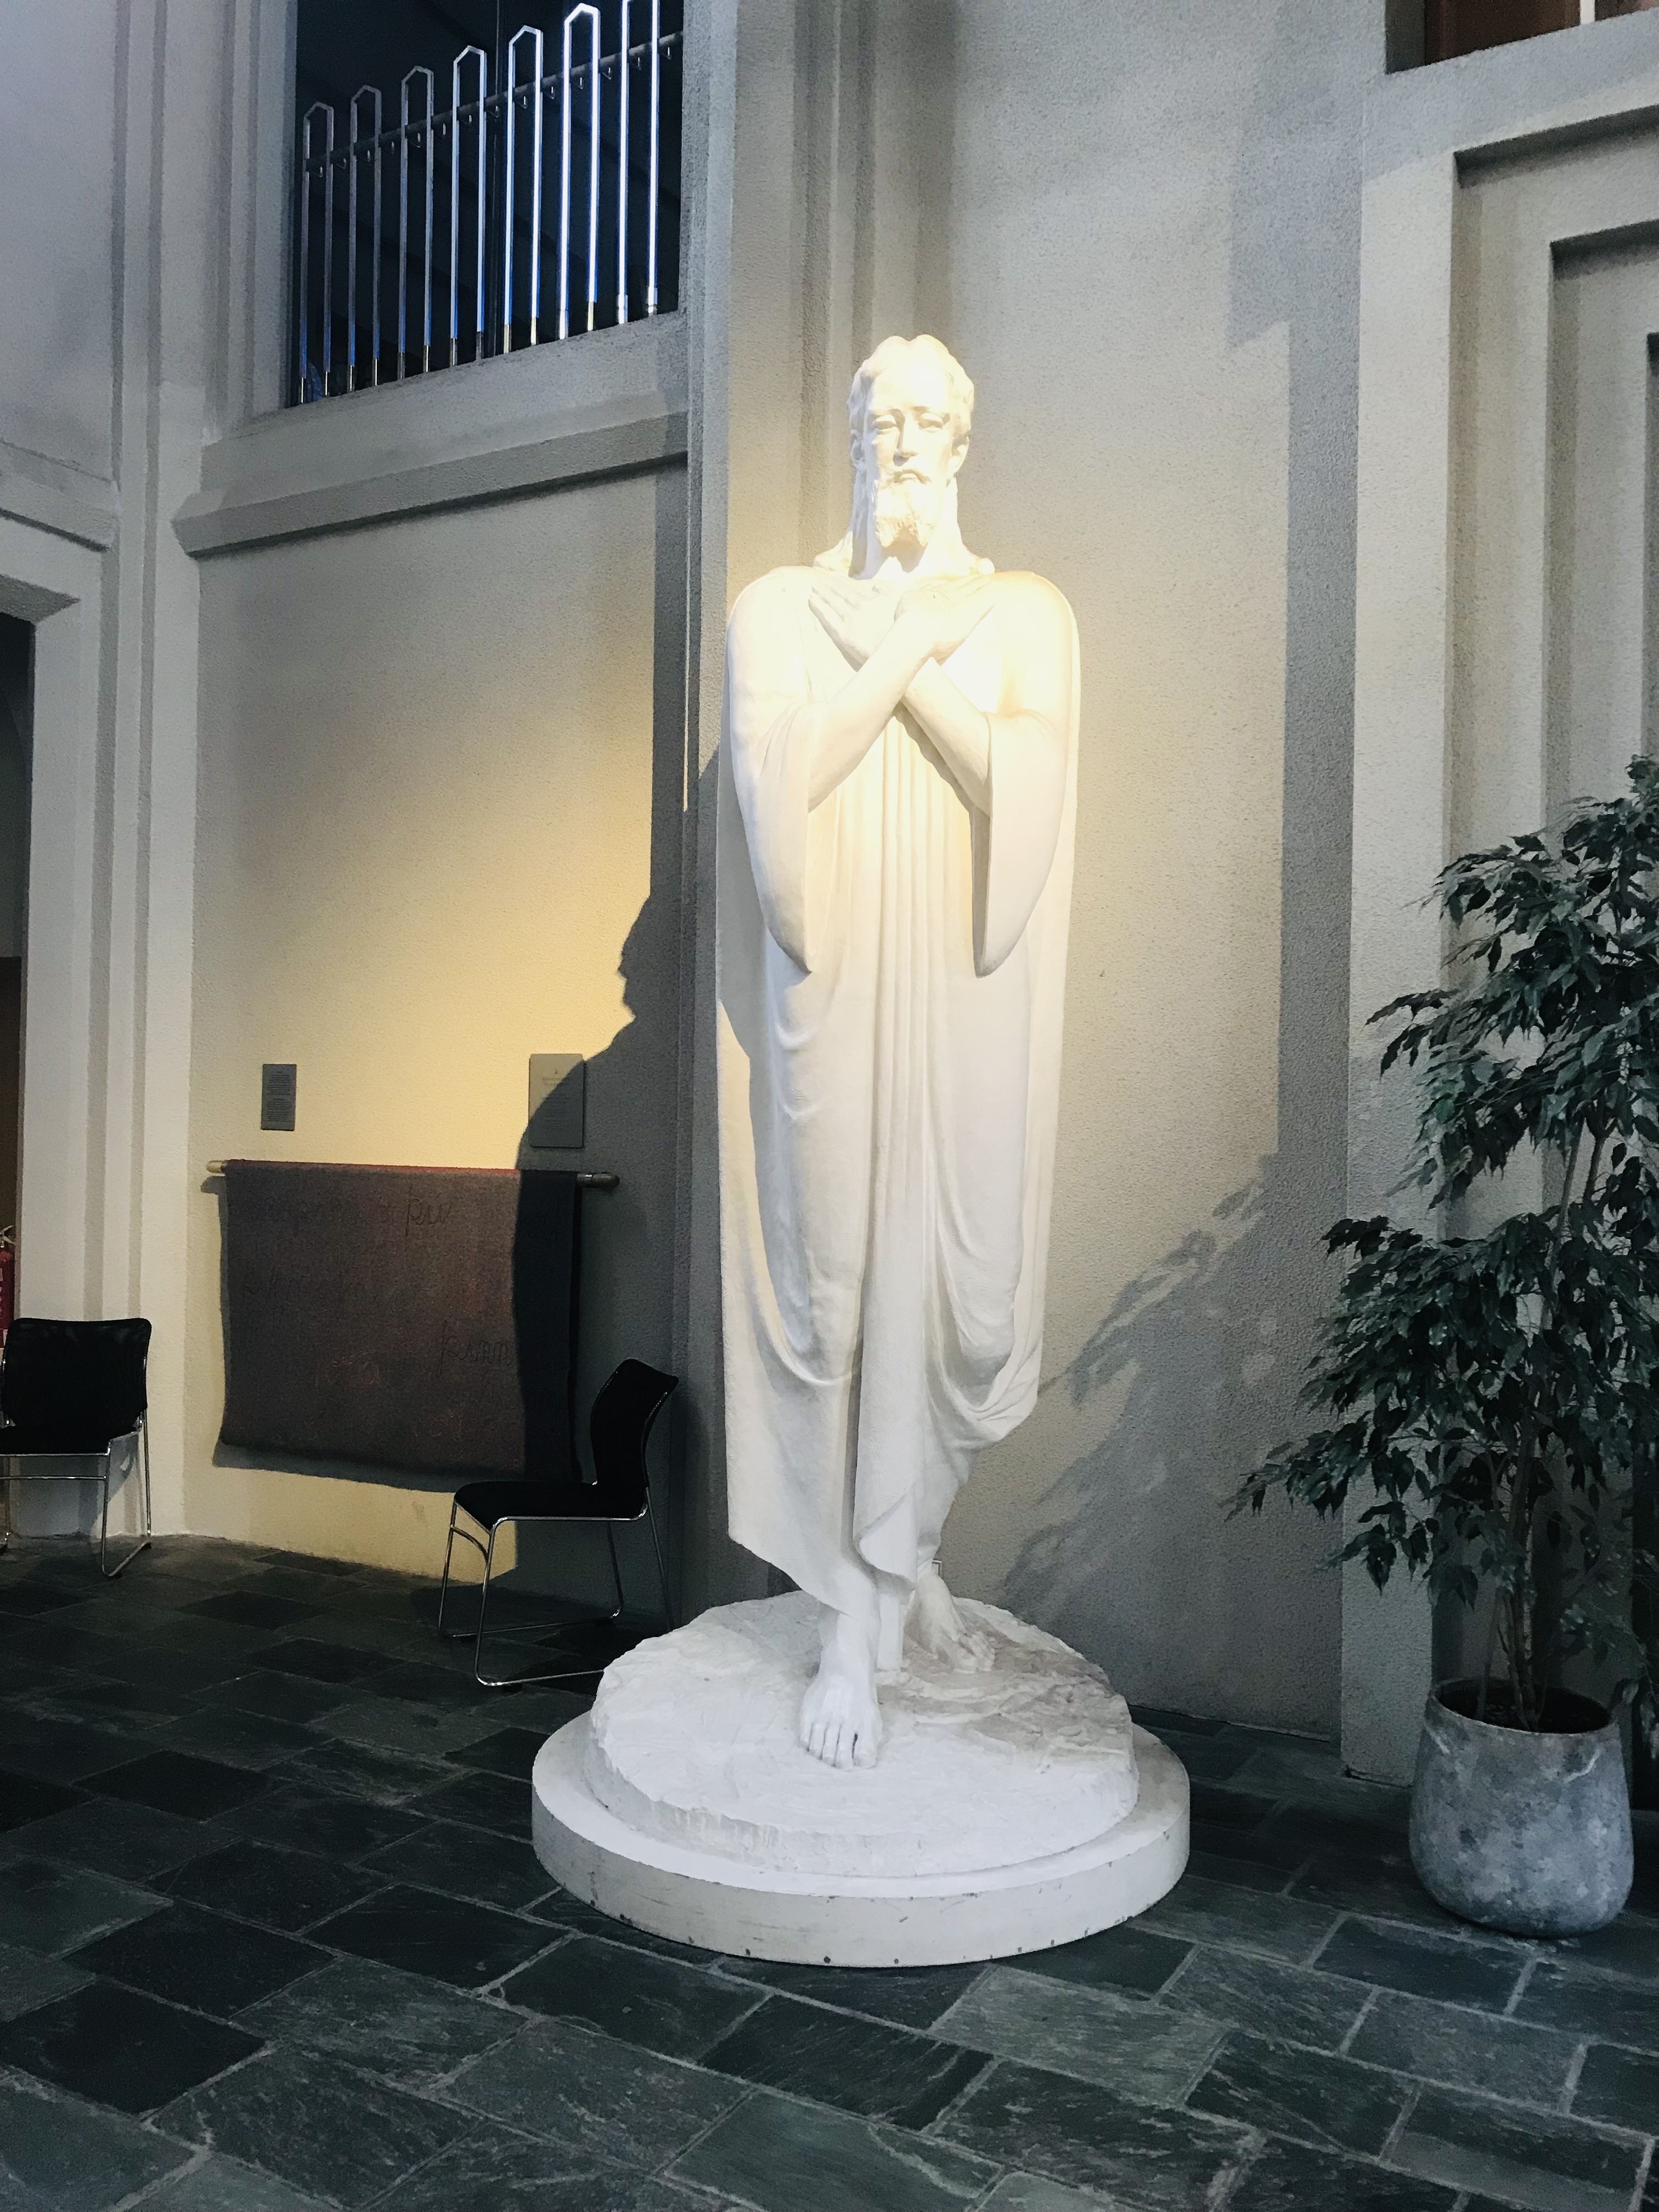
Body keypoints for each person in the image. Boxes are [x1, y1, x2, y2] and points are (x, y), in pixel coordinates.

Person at [717, 334, 1080, 1768]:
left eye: (934, 420)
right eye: (887, 418)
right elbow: (778, 786)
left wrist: (919, 645)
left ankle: (899, 1561)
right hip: (839, 980)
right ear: (853, 432)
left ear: (968, 441)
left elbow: (1022, 788)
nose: (909, 441)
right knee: (841, 1285)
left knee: (964, 1308)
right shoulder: (778, 608)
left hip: (963, 980)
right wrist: (900, 641)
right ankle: (855, 1622)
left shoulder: (1030, 610)